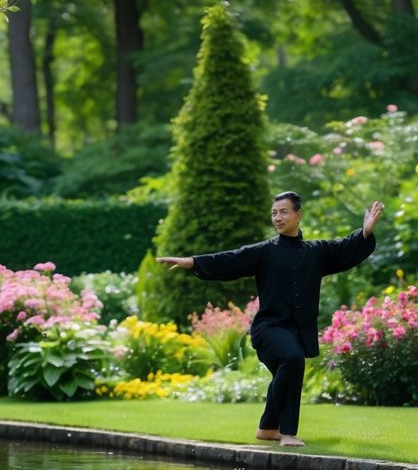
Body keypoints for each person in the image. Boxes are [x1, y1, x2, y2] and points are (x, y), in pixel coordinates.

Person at [156, 191, 383, 447]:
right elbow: (229, 260)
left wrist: (364, 233)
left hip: (297, 331)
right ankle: (286, 433)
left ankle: (267, 428)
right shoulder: (264, 251)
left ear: (299, 215)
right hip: (269, 329)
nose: (278, 217)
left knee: (289, 374)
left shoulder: (317, 252)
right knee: (293, 359)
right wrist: (192, 262)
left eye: (284, 212)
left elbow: (344, 249)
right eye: (274, 213)